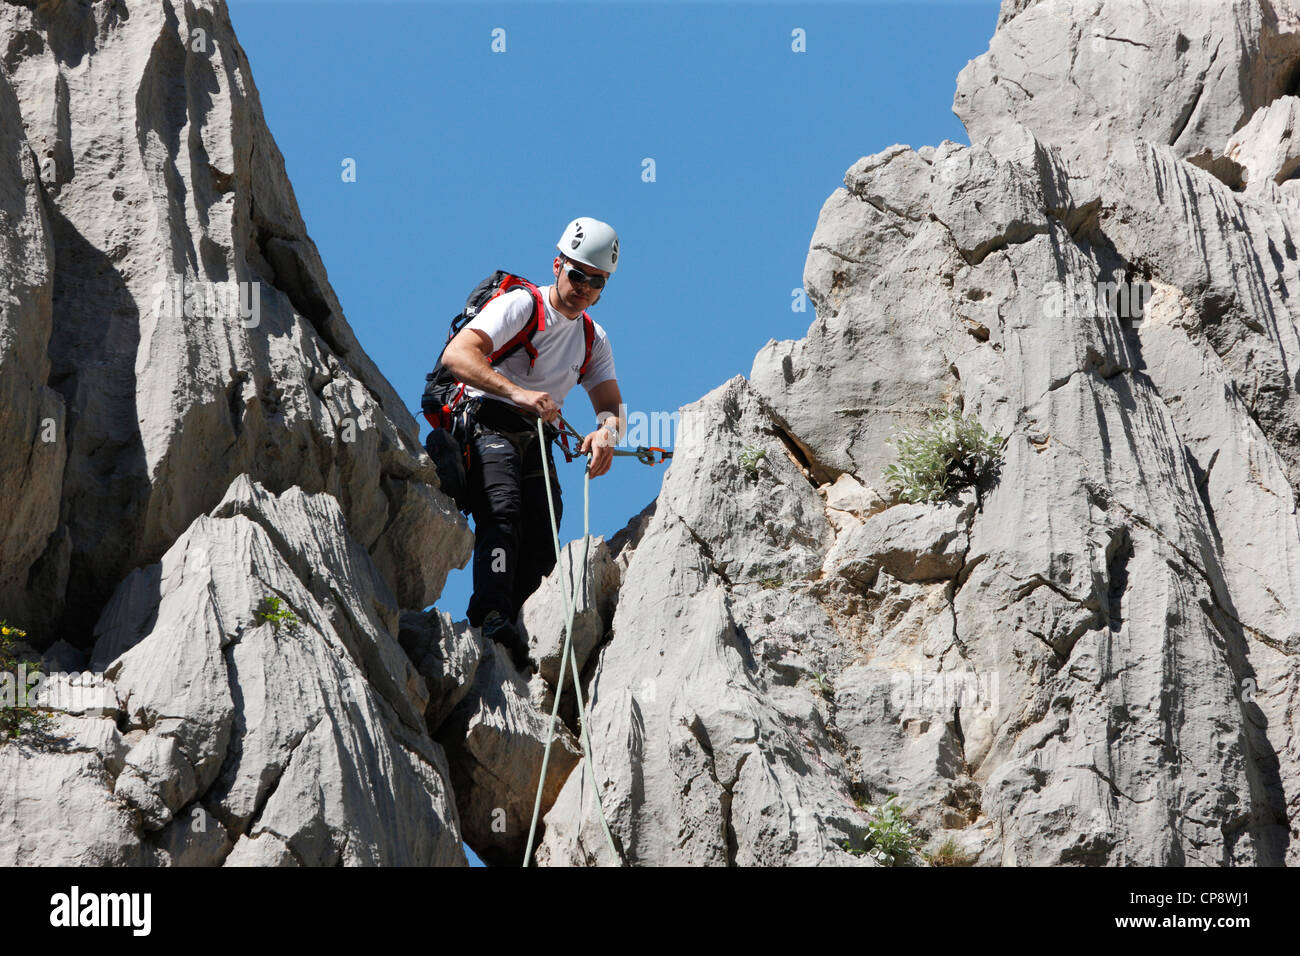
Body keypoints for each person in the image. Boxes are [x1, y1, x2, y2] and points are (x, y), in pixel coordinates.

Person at [441, 217, 625, 670]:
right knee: (502, 514)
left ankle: (521, 631)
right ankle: (489, 616)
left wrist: (607, 432)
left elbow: (611, 404)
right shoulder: (523, 306)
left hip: (535, 436)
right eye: (577, 273)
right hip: (486, 418)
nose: (584, 286)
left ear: (604, 287)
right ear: (558, 264)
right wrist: (518, 393)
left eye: (595, 281)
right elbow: (458, 355)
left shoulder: (592, 339)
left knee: (543, 535)